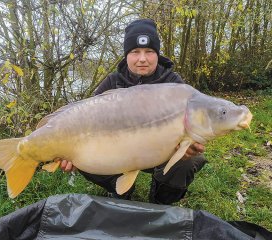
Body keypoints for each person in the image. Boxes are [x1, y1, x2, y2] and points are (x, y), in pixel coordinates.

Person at [59, 19, 207, 205]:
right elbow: (87, 121)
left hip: (161, 152)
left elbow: (192, 121)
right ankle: (120, 189)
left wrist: (187, 147)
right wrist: (70, 153)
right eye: (135, 52)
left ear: (157, 54)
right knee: (82, 152)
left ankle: (160, 201)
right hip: (121, 152)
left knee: (190, 160)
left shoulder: (173, 83)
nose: (142, 58)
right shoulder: (112, 82)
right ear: (126, 55)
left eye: (149, 52)